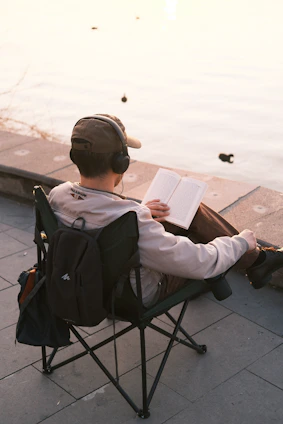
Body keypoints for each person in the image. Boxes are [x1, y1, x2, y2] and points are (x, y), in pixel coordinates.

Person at [49, 114, 283, 307]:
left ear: (73, 157)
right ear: (122, 163)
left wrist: (140, 211)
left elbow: (99, 216)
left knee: (187, 212)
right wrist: (241, 242)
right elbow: (202, 262)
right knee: (193, 235)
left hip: (81, 284)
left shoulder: (56, 196)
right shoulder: (132, 219)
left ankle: (258, 263)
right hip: (130, 297)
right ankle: (256, 259)